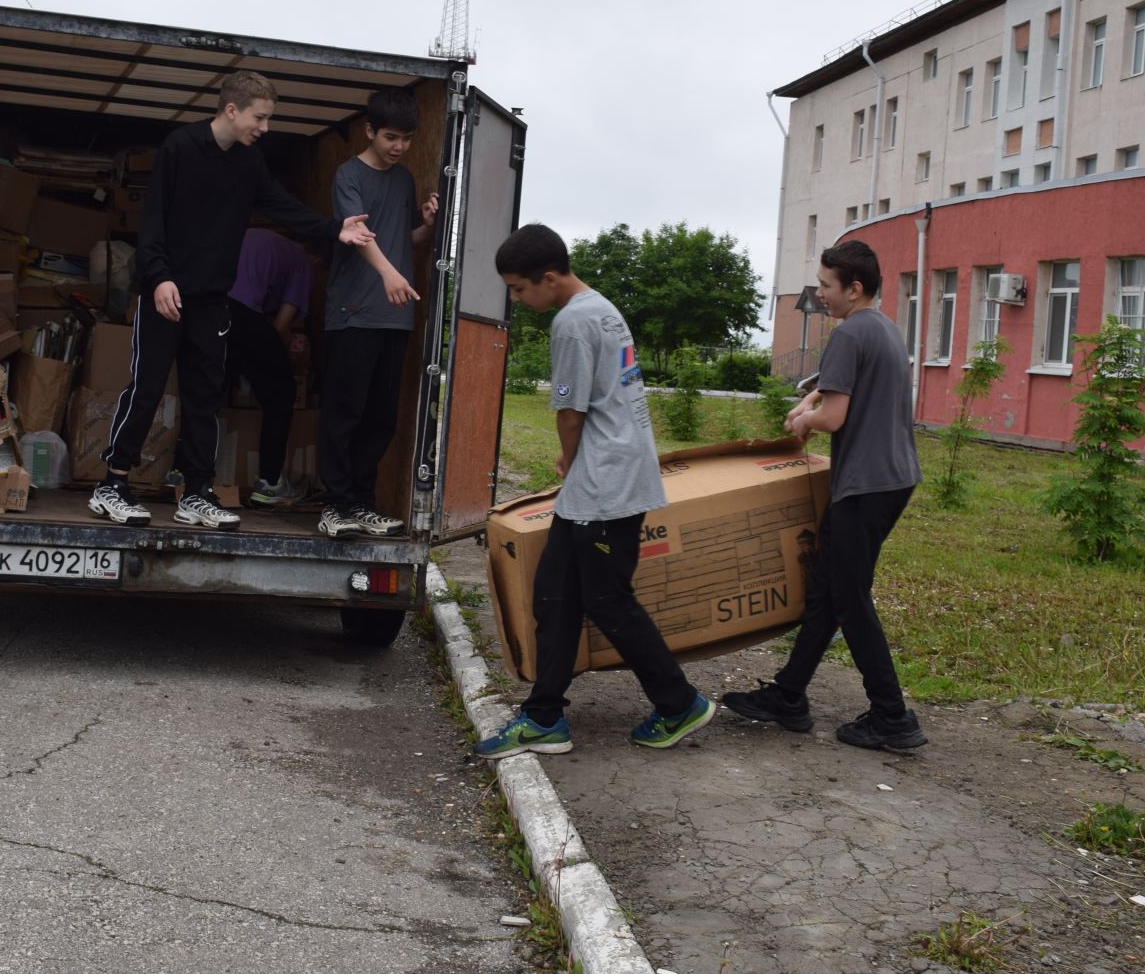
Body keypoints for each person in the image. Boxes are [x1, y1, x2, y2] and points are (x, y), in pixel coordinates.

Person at [89, 72, 374, 530]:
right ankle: (113, 484)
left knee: (204, 398)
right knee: (146, 389)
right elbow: (152, 223)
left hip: (211, 301)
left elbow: (282, 205)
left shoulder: (249, 163)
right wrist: (159, 278)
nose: (264, 128)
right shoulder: (180, 148)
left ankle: (196, 494)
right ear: (232, 110)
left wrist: (333, 229)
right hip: (166, 293)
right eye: (259, 118)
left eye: (268, 119)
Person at [474, 224, 714, 759]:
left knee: (607, 600)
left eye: (518, 289)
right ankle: (544, 718)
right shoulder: (600, 306)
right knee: (555, 595)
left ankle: (679, 703)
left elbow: (570, 411)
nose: (516, 299)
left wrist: (568, 456)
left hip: (605, 481)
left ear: (550, 278)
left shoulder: (573, 322)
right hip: (603, 478)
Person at [721, 239, 927, 751]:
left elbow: (833, 416)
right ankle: (789, 696)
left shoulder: (849, 334)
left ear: (853, 289)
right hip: (890, 479)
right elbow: (837, 387)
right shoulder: (881, 328)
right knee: (828, 593)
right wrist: (813, 395)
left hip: (864, 485)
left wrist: (802, 420)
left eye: (826, 285)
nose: (819, 293)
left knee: (850, 599)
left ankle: (893, 718)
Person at [315, 88, 438, 539]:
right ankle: (335, 504)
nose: (399, 146)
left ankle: (362, 504)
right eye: (390, 136)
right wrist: (389, 276)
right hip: (353, 312)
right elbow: (361, 236)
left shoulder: (404, 180)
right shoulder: (348, 175)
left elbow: (405, 241)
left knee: (381, 416)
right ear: (369, 130)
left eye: (406, 138)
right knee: (343, 412)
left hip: (394, 315)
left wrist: (426, 224)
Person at [227, 227, 314, 507]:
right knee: (282, 393)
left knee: (209, 389)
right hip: (243, 314)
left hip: (211, 307)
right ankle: (269, 482)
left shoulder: (255, 236)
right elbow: (281, 324)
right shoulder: (303, 261)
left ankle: (182, 472)